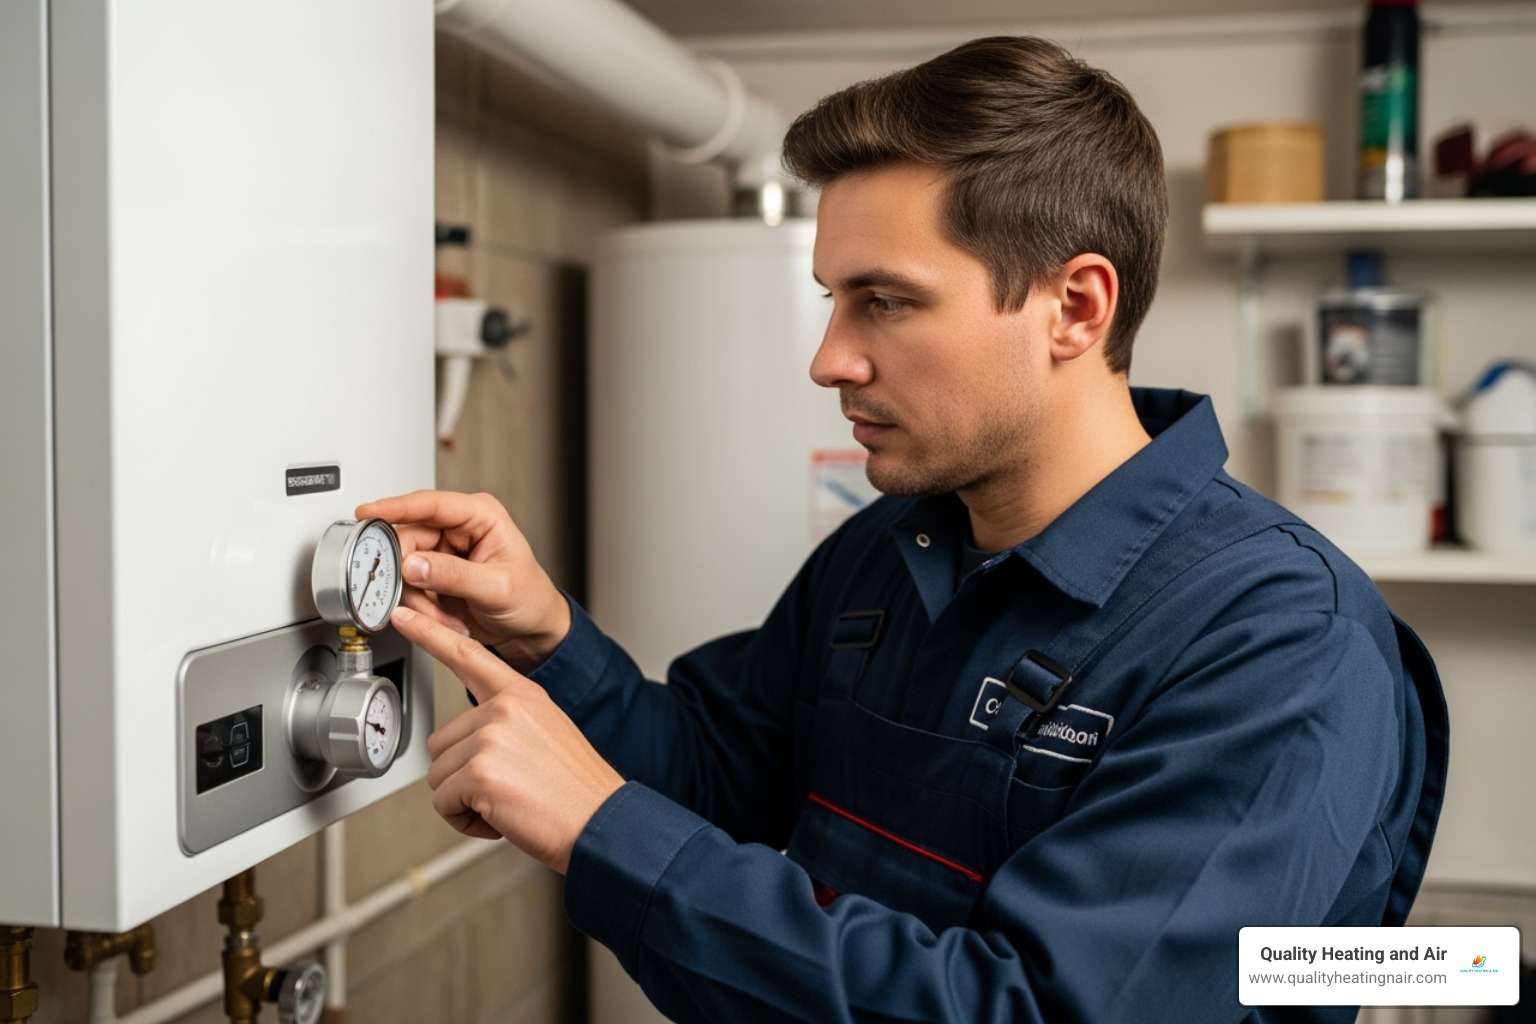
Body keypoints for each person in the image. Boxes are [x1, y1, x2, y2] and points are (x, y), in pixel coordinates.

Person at [360, 36, 1448, 1024]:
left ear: (1076, 307)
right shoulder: (891, 549)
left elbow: (1040, 1010)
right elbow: (718, 773)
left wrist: (606, 831)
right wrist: (549, 639)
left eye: (884, 300)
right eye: (833, 297)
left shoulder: (1282, 641)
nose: (829, 357)